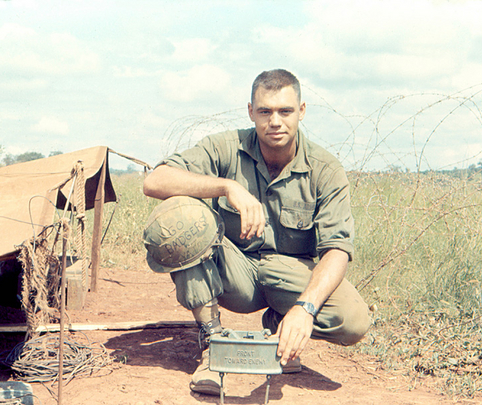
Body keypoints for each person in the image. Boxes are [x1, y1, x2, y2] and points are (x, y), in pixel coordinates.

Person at [143, 69, 371, 395]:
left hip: (289, 275)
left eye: (285, 111)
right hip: (235, 271)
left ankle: (281, 330)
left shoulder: (326, 169)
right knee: (181, 218)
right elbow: (154, 181)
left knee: (353, 319)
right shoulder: (225, 147)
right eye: (265, 111)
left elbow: (337, 250)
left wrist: (304, 310)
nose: (274, 121)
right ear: (251, 111)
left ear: (301, 111)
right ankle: (213, 344)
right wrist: (226, 186)